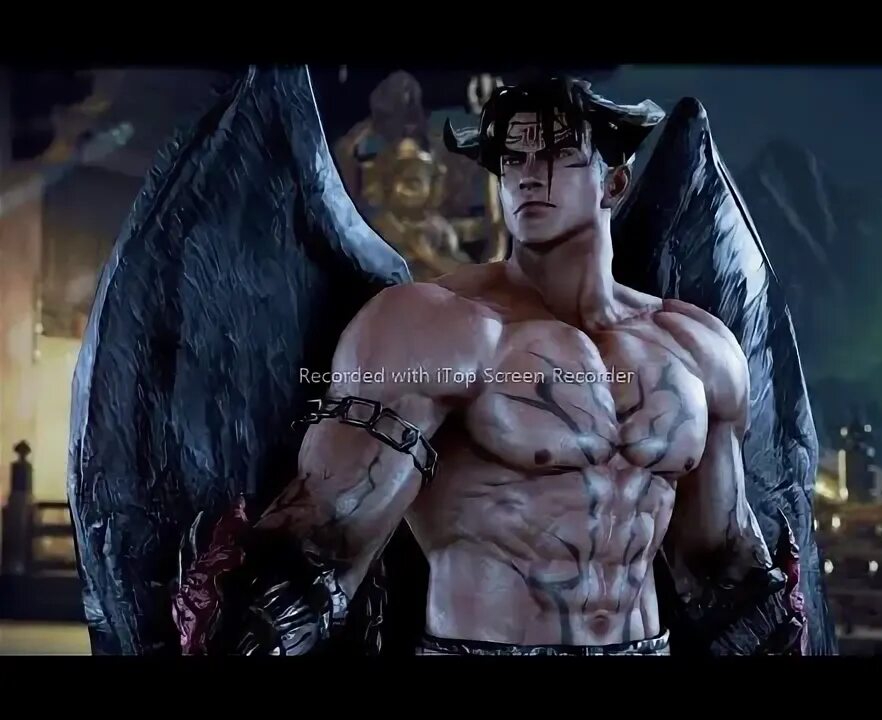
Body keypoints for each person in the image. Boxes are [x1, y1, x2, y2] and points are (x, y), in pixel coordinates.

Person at [171, 77, 805, 656]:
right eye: (513, 158)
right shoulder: (435, 328)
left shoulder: (697, 347)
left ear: (614, 184)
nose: (529, 175)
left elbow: (721, 565)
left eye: (557, 154)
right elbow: (324, 543)